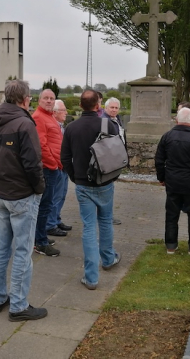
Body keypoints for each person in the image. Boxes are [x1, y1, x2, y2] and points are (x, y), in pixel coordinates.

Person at [0, 79, 47, 322]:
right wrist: (39, 188)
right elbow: (32, 164)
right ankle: (18, 305)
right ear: (25, 99)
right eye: (30, 98)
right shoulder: (23, 124)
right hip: (20, 195)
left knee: (1, 248)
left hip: (0, 194)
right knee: (21, 250)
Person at [61, 89, 122, 291]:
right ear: (98, 106)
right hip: (105, 183)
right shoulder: (109, 125)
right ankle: (108, 259)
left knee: (88, 228)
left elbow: (64, 158)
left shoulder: (71, 128)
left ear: (80, 105)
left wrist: (74, 176)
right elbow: (117, 154)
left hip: (83, 185)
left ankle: (91, 277)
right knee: (105, 221)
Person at [155, 107, 190, 255]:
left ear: (177, 120)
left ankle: (171, 245)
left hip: (172, 180)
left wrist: (162, 177)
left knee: (172, 213)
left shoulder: (167, 136)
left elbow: (159, 159)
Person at [32, 89, 63, 255]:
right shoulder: (38, 117)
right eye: (46, 98)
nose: (49, 101)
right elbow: (41, 146)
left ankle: (40, 236)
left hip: (54, 167)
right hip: (47, 168)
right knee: (44, 206)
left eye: (52, 98)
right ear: (39, 100)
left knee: (46, 205)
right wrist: (53, 164)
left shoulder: (49, 116)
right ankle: (40, 242)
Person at [46, 99, 72, 234]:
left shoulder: (61, 126)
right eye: (63, 110)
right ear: (55, 112)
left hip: (64, 165)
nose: (66, 113)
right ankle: (50, 225)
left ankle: (56, 219)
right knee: (55, 196)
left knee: (61, 195)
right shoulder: (52, 126)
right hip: (56, 165)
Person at [103, 97, 125, 225]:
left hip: (116, 159)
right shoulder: (105, 121)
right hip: (109, 161)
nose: (114, 110)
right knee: (107, 190)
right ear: (106, 108)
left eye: (116, 108)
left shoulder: (117, 119)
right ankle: (107, 217)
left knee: (110, 189)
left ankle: (108, 215)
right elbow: (104, 142)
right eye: (111, 107)